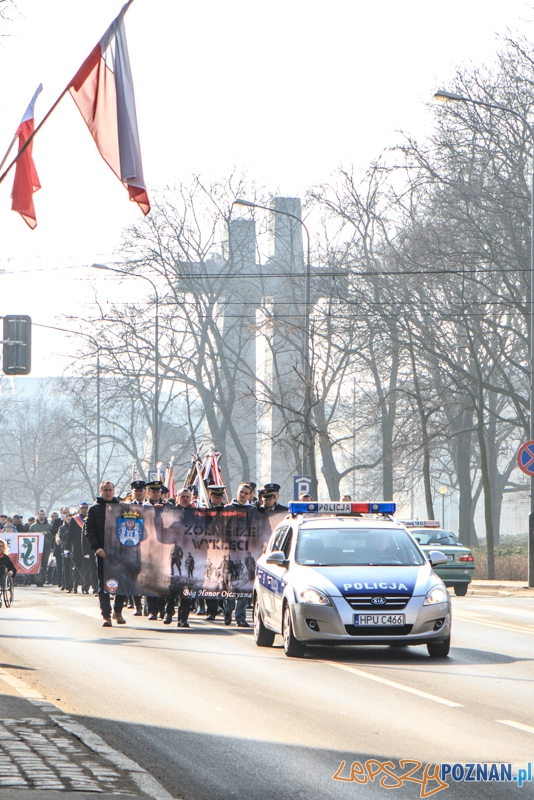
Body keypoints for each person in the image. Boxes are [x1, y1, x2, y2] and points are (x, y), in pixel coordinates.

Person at [85, 480, 125, 627]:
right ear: (101, 491)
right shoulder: (94, 509)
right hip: (103, 553)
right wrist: (97, 548)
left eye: (110, 490)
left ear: (114, 491)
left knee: (123, 583)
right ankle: (106, 615)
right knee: (104, 585)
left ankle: (118, 611)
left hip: (121, 553)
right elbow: (89, 531)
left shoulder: (122, 507)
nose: (108, 492)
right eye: (105, 490)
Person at [66, 502, 90, 593]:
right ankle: (74, 586)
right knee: (76, 568)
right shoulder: (75, 519)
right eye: (82, 508)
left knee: (87, 569)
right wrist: (67, 548)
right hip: (76, 547)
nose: (83, 509)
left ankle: (85, 588)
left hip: (87, 548)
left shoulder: (90, 519)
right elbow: (70, 535)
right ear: (79, 509)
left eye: (85, 508)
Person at [30, 510, 52, 587]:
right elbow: (29, 536)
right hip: (36, 547)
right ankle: (37, 580)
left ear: (44, 515)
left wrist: (48, 533)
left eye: (43, 514)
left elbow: (52, 536)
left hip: (46, 546)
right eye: (40, 514)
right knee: (37, 563)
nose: (41, 516)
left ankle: (43, 579)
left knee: (44, 564)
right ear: (38, 515)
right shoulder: (33, 526)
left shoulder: (49, 526)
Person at [58, 512, 73, 591]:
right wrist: (69, 530)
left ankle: (73, 584)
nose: (69, 521)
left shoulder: (75, 526)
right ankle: (66, 585)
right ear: (65, 519)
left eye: (71, 520)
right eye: (68, 519)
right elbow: (62, 537)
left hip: (73, 548)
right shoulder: (62, 528)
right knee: (66, 568)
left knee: (72, 568)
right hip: (65, 549)